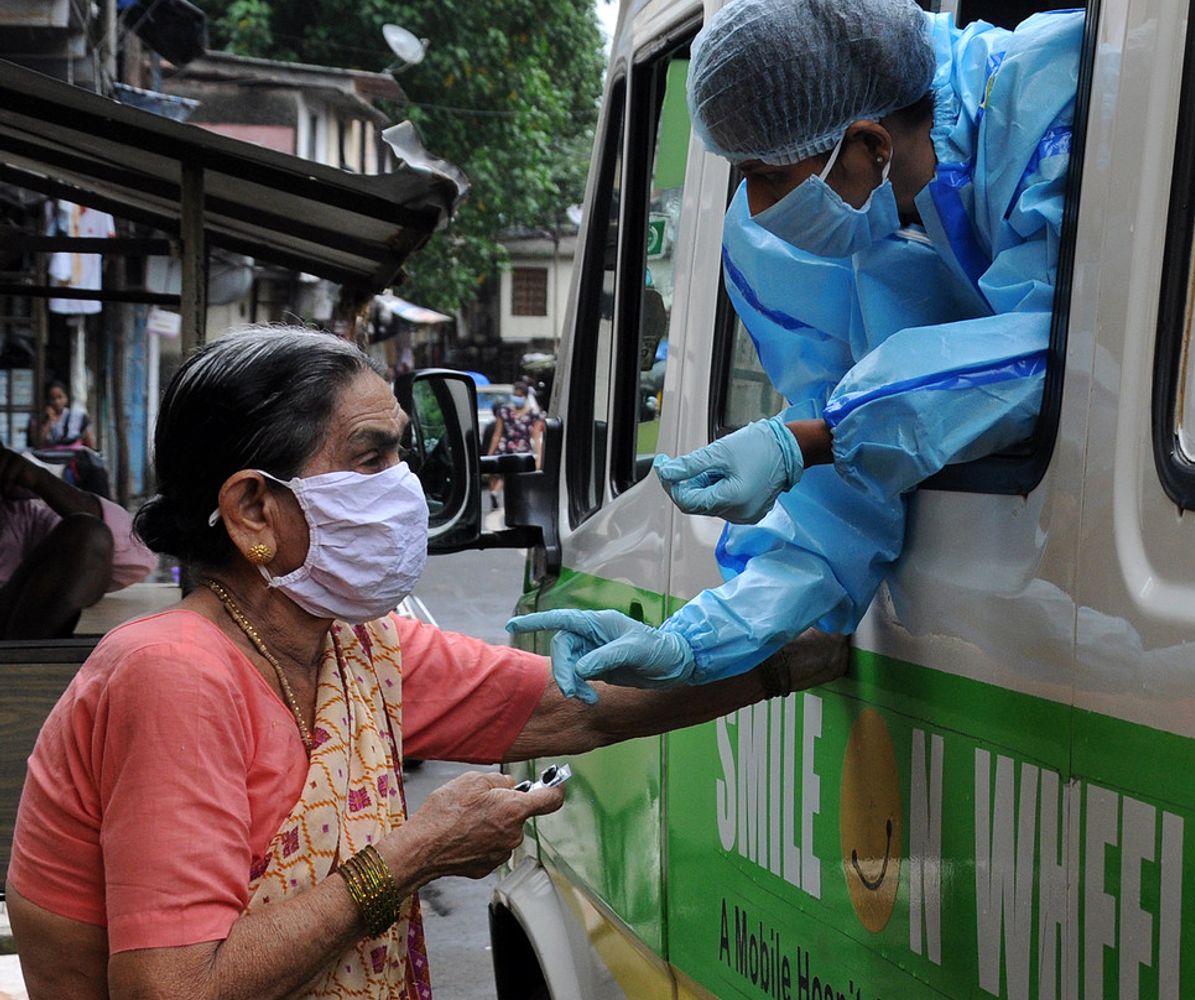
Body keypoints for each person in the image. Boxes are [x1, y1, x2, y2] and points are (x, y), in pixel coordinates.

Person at [4, 326, 840, 1000]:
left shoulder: (354, 644)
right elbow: (173, 989)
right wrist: (414, 854)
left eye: (405, 455)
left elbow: (574, 704)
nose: (403, 489)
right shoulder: (174, 670)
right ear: (254, 506)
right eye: (370, 458)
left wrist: (782, 657)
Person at [510, 0, 1083, 700]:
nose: (753, 208)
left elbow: (1064, 357)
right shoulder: (802, 254)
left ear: (870, 145)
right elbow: (840, 499)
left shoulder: (1049, 97)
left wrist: (817, 435)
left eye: (768, 175)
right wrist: (694, 642)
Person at [0, 444, 155, 639]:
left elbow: (138, 555)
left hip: (13, 644)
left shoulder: (22, 518)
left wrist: (41, 481)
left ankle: (22, 662)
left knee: (89, 533)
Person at [28, 379, 96, 449]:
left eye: (60, 397)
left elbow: (89, 443)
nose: (56, 402)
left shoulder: (77, 417)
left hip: (72, 458)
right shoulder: (40, 418)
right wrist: (49, 421)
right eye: (52, 398)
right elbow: (38, 443)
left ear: (66, 398)